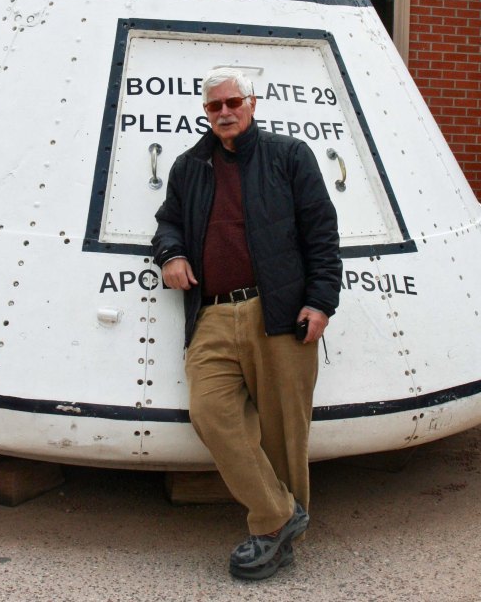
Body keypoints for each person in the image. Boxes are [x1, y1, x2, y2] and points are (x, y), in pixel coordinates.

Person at [152, 66, 342, 580]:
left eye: (233, 102)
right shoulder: (190, 166)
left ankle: (272, 538)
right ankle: (281, 517)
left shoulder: (288, 156)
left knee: (285, 432)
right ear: (205, 113)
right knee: (211, 413)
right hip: (212, 312)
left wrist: (321, 302)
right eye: (215, 106)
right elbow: (168, 219)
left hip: (278, 311)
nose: (225, 112)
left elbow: (322, 232)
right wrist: (170, 252)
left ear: (252, 103)